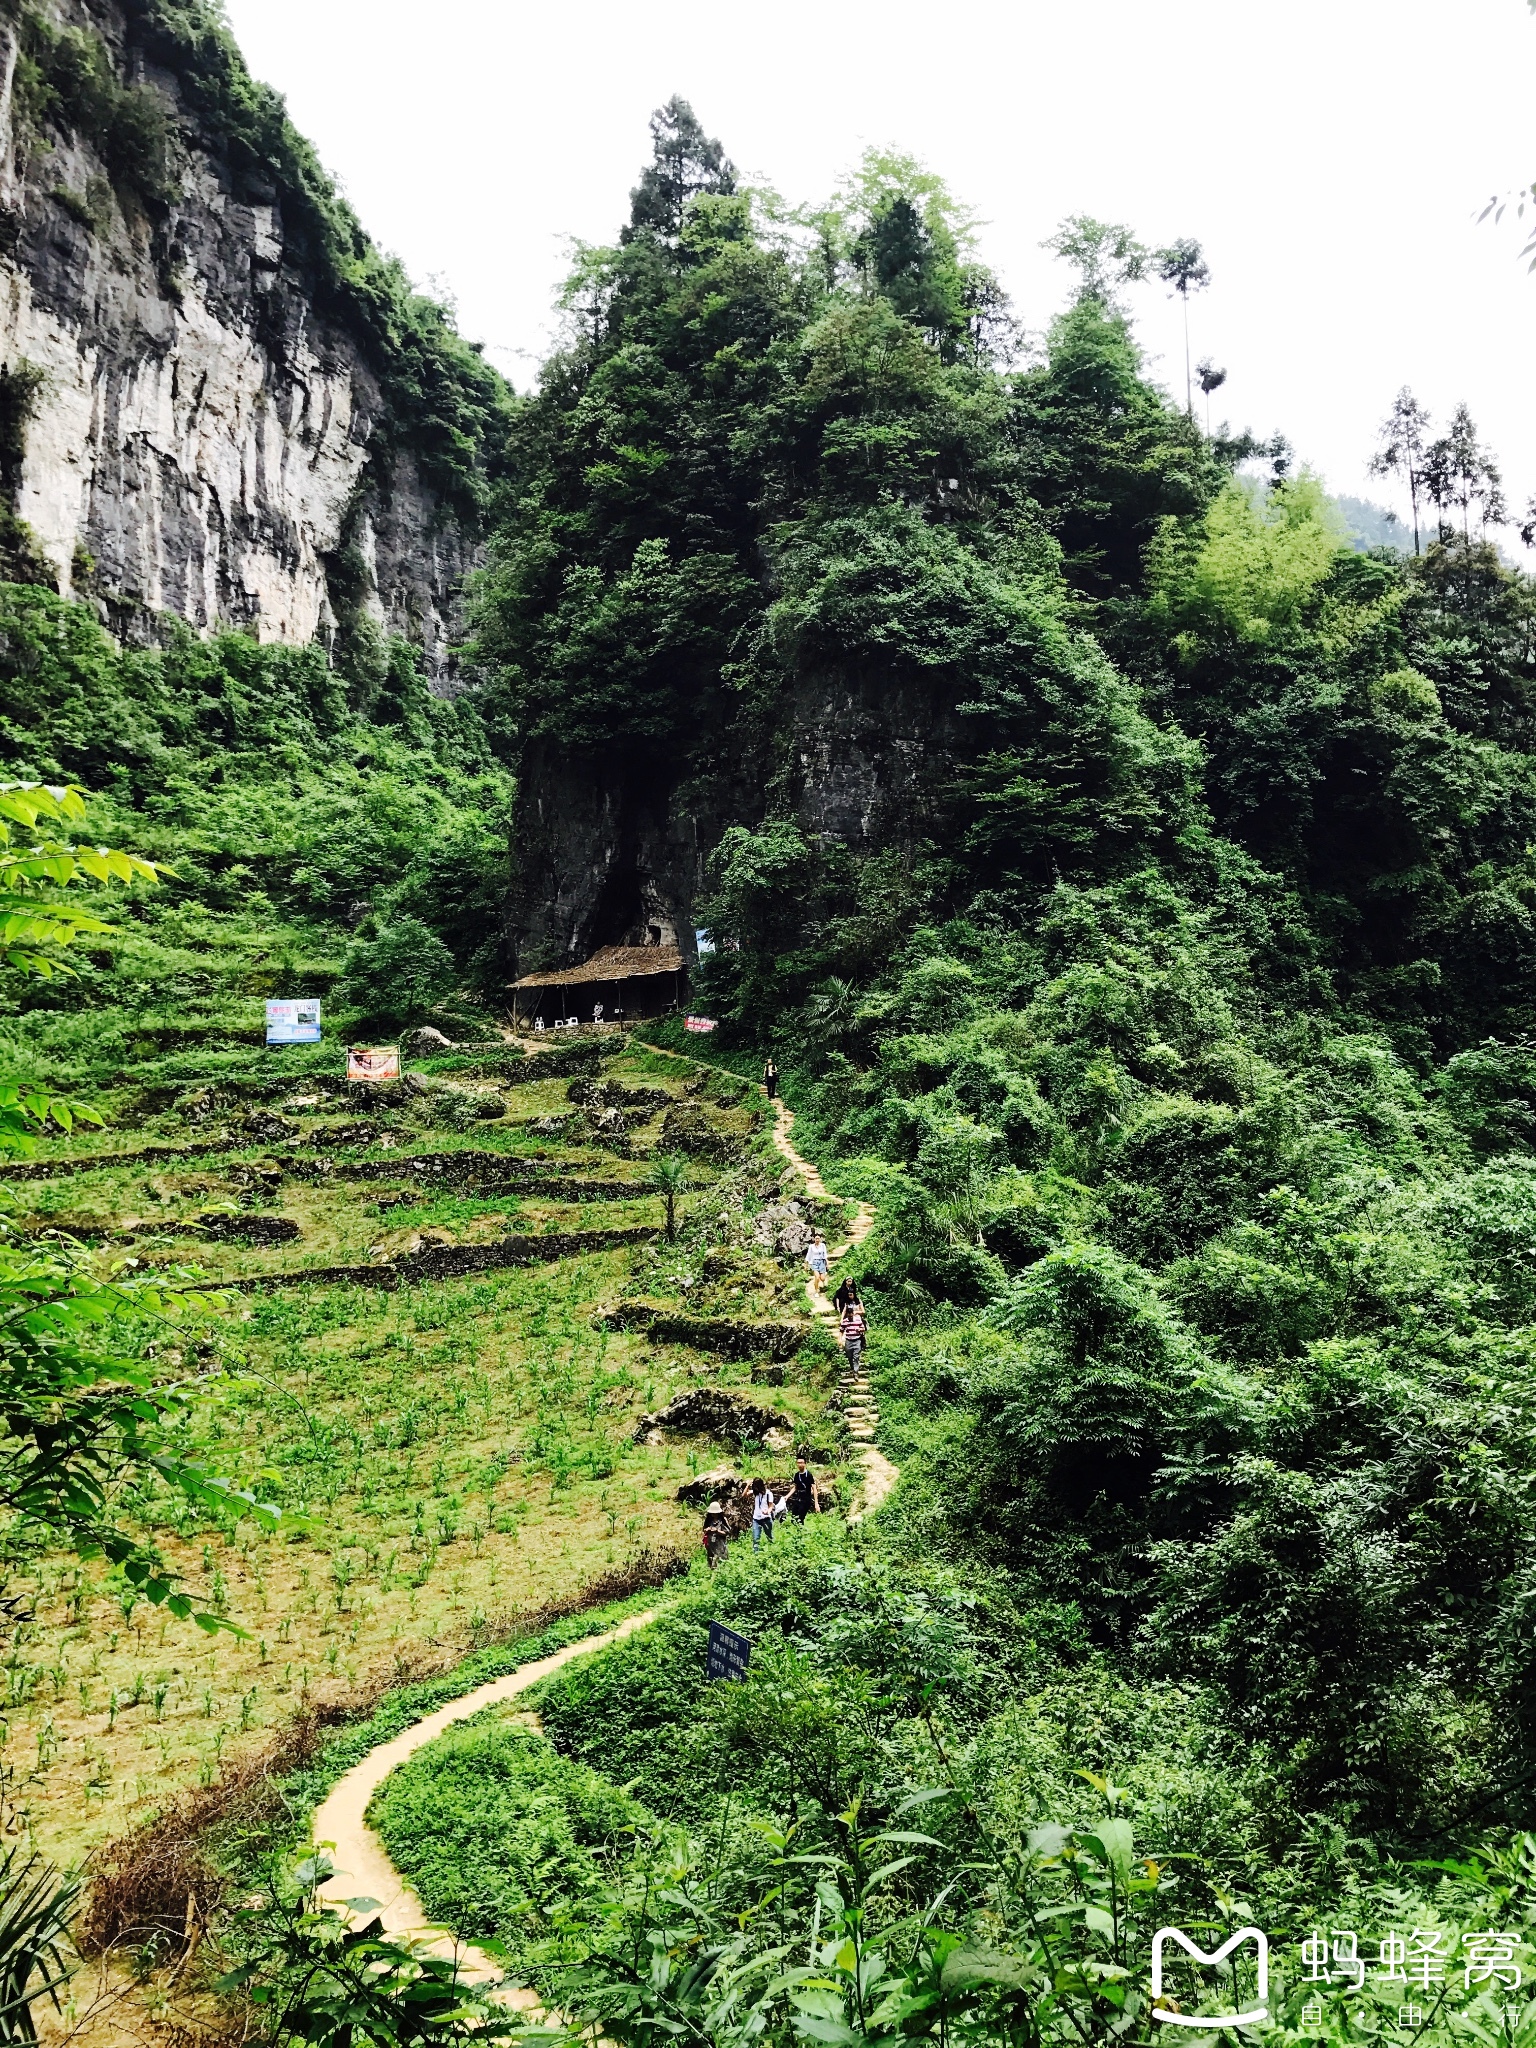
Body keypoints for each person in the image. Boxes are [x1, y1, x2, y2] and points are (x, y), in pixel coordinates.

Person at [788, 1455, 820, 1523]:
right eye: (798, 1463)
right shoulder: (797, 1475)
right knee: (793, 1518)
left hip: (806, 1500)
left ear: (805, 1463)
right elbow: (795, 1487)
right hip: (798, 1498)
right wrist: (787, 1496)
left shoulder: (808, 1475)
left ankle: (801, 1532)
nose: (800, 1464)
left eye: (801, 1462)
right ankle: (798, 1532)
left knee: (800, 1519)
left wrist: (816, 1503)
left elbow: (814, 1488)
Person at [839, 1295, 867, 1368]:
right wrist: (840, 1339)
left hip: (857, 1337)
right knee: (849, 1355)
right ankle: (852, 1367)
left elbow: (863, 1327)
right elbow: (841, 1331)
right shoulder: (845, 1321)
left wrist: (860, 1329)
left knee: (856, 1356)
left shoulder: (858, 1302)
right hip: (849, 1339)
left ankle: (855, 1372)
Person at [702, 1498, 729, 1570]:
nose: (713, 1515)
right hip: (711, 1545)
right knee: (711, 1562)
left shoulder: (722, 1520)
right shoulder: (709, 1520)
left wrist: (717, 1531)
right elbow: (704, 1529)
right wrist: (707, 1530)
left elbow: (726, 1533)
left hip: (720, 1545)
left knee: (719, 1563)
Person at [750, 1476, 777, 1548]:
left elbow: (771, 1506)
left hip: (766, 1519)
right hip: (756, 1519)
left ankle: (773, 1550)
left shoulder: (768, 1494)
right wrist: (747, 1485)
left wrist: (767, 1511)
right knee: (756, 1539)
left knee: (769, 1537)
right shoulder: (755, 1493)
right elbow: (743, 1495)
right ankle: (756, 1556)